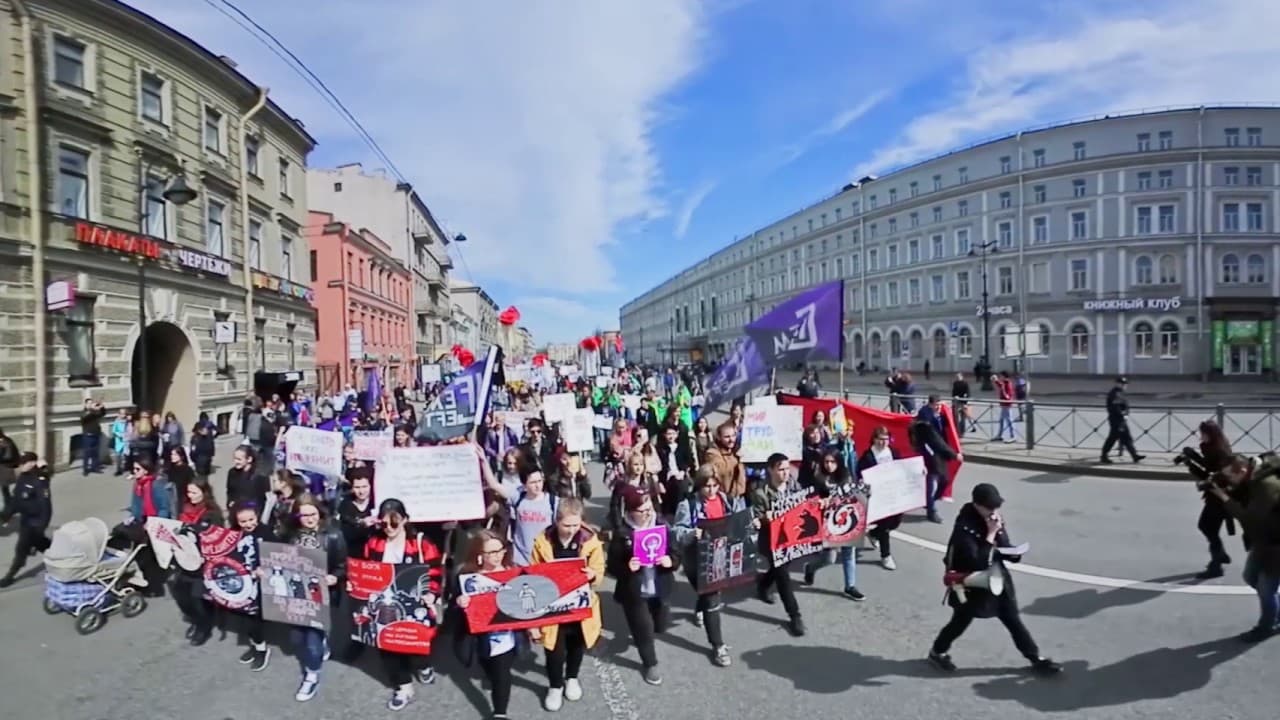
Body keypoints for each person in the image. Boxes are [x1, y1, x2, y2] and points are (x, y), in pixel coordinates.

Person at [928, 483, 1061, 675]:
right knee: (960, 621)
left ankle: (1034, 657)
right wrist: (990, 534)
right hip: (972, 584)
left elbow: (1005, 546)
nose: (993, 511)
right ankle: (937, 652)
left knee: (1012, 618)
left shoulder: (993, 518)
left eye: (996, 506)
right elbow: (976, 562)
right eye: (989, 507)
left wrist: (1013, 553)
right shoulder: (964, 528)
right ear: (977, 504)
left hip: (997, 579)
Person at [356, 498, 442, 710]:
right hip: (385, 606)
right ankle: (403, 686)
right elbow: (366, 570)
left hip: (414, 605)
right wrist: (356, 586)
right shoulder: (374, 542)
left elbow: (435, 571)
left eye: (394, 523)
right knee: (387, 648)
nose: (389, 529)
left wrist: (432, 593)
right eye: (384, 524)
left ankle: (422, 665)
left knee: (415, 648)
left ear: (405, 520)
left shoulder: (421, 543)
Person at [530, 498, 605, 712]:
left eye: (576, 525)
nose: (572, 530)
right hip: (552, 605)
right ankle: (554, 686)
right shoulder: (543, 541)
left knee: (576, 644)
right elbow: (533, 571)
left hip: (580, 604)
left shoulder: (590, 540)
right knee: (554, 648)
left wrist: (593, 575)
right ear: (557, 521)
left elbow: (599, 570)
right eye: (566, 525)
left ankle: (571, 677)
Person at [673, 465, 744, 667]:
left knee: (710, 596)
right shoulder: (688, 505)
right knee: (710, 596)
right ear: (699, 486)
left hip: (721, 556)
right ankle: (718, 646)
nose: (711, 490)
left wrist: (751, 526)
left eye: (715, 485)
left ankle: (703, 615)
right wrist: (689, 533)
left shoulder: (728, 501)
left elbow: (740, 522)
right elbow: (676, 531)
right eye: (707, 486)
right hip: (696, 558)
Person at [606, 486, 677, 685]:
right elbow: (611, 566)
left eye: (649, 509)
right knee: (643, 628)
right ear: (630, 512)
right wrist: (627, 567)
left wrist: (671, 561)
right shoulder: (622, 533)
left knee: (660, 624)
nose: (647, 514)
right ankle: (650, 663)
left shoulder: (661, 525)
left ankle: (650, 630)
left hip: (660, 585)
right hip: (634, 590)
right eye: (642, 511)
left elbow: (675, 552)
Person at [1205, 454, 1280, 642]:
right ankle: (1274, 610)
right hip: (1264, 540)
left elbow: (1249, 519)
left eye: (1231, 476)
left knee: (1265, 588)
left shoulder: (1265, 486)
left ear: (1244, 471)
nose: (1229, 480)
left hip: (1275, 544)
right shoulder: (1255, 477)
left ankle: (1266, 627)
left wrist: (1224, 497)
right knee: (1250, 576)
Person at [280, 494, 346, 702]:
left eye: (313, 514)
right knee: (296, 637)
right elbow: (277, 557)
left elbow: (343, 565)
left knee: (311, 640)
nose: (309, 519)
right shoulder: (289, 534)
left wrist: (334, 577)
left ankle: (311, 675)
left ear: (320, 513)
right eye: (304, 515)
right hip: (295, 592)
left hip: (320, 595)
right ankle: (320, 646)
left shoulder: (333, 535)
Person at [453, 530, 519, 720]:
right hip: (481, 636)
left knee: (502, 674)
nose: (498, 555)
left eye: (501, 550)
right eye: (492, 553)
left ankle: (500, 713)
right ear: (479, 555)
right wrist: (460, 602)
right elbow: (454, 609)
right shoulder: (466, 576)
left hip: (507, 635)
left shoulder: (512, 570)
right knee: (488, 664)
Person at [750, 452, 806, 637]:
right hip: (772, 540)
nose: (785, 473)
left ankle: (764, 584)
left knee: (778, 570)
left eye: (787, 469)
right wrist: (765, 518)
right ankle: (794, 615)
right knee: (783, 575)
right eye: (781, 469)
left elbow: (803, 503)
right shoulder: (761, 493)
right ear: (771, 470)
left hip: (791, 537)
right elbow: (757, 518)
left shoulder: (794, 486)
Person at [802, 449, 868, 601]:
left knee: (848, 553)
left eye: (833, 462)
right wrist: (820, 501)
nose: (829, 465)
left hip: (846, 518)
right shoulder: (818, 477)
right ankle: (811, 568)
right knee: (829, 558)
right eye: (826, 462)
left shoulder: (845, 476)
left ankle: (850, 586)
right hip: (827, 522)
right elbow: (811, 498)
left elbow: (854, 494)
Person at [1179, 421, 1236, 579]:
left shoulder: (1220, 452)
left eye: (1203, 433)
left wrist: (1194, 467)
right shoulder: (1213, 447)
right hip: (1216, 496)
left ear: (1211, 434)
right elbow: (1208, 468)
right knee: (1209, 528)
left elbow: (1213, 476)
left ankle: (1216, 566)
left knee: (1207, 527)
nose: (1201, 436)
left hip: (1220, 497)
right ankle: (1221, 555)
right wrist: (1191, 459)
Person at [173, 478, 224, 646]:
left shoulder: (213, 514)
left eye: (194, 492)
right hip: (184, 559)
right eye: (189, 492)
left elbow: (216, 539)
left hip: (203, 562)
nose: (190, 496)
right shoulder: (186, 509)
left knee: (198, 598)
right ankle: (196, 620)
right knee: (181, 596)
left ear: (204, 493)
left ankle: (203, 627)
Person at [231, 502, 275, 671]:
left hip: (260, 584)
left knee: (254, 619)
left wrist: (264, 568)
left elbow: (278, 554)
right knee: (243, 617)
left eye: (251, 519)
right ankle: (255, 644)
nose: (248, 524)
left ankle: (261, 649)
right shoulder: (234, 534)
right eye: (243, 521)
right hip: (242, 581)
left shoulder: (266, 532)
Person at [0, 452, 52, 587]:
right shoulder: (23, 477)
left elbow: (45, 508)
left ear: (32, 463)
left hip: (35, 524)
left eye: (24, 462)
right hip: (25, 521)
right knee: (46, 547)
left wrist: (41, 528)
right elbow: (16, 501)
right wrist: (4, 516)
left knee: (21, 549)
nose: (20, 465)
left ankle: (9, 576)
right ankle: (65, 558)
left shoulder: (40, 481)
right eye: (20, 462)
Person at [857, 427, 903, 570]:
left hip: (893, 493)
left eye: (886, 439)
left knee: (895, 521)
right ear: (874, 439)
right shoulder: (868, 456)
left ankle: (873, 533)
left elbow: (903, 468)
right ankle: (886, 555)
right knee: (885, 526)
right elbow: (860, 473)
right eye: (880, 439)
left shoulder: (894, 453)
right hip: (877, 495)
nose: (883, 442)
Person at [912, 395, 960, 524]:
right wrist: (953, 454)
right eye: (936, 405)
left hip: (939, 451)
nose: (939, 408)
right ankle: (931, 511)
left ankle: (929, 501)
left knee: (944, 480)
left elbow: (947, 428)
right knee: (932, 481)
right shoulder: (925, 419)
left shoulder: (937, 414)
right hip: (930, 452)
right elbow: (934, 439)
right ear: (930, 404)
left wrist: (950, 413)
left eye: (940, 405)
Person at [1101, 377, 1145, 464]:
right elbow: (1115, 407)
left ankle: (1134, 455)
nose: (1124, 385)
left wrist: (1126, 413)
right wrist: (1123, 415)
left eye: (1125, 384)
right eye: (1122, 383)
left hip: (1121, 420)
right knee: (1113, 438)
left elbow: (1125, 405)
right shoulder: (1115, 393)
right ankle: (1104, 456)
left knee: (1126, 438)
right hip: (1116, 420)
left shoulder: (1120, 392)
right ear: (1117, 383)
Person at [703, 421, 748, 499]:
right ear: (719, 437)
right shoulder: (712, 453)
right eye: (727, 437)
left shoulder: (735, 450)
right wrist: (738, 460)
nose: (731, 439)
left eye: (733, 435)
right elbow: (721, 470)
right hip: (724, 496)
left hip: (739, 494)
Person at [225, 445, 269, 516]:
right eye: (235, 458)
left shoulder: (260, 476)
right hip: (236, 511)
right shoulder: (232, 472)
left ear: (249, 459)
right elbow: (229, 491)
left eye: (239, 459)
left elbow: (262, 499)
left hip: (252, 513)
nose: (236, 461)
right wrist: (229, 502)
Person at [80, 398, 106, 475]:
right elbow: (85, 418)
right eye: (89, 403)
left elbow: (103, 414)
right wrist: (92, 409)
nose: (90, 404)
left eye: (91, 403)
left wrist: (102, 407)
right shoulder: (84, 413)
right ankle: (85, 470)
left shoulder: (94, 412)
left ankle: (95, 467)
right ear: (85, 404)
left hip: (96, 435)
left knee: (95, 453)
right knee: (87, 453)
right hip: (88, 436)